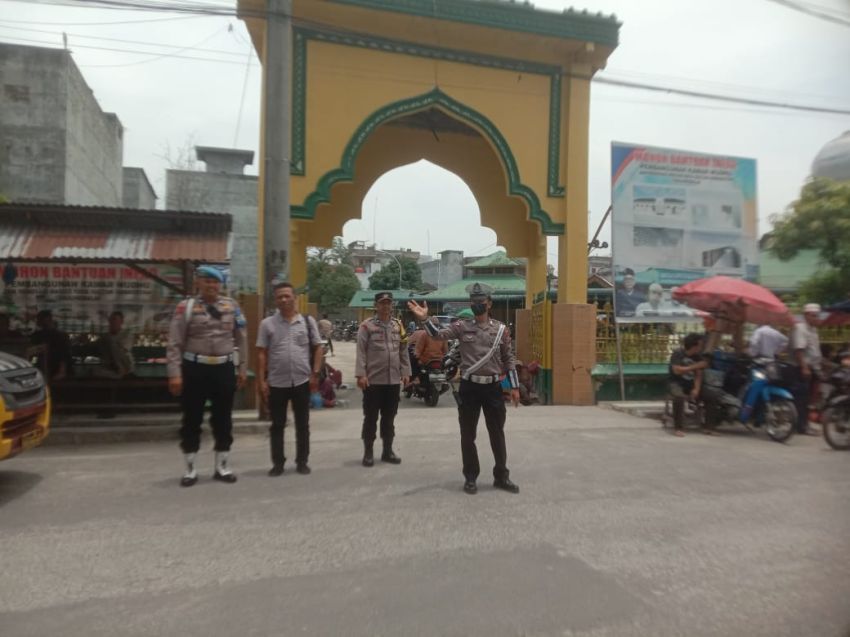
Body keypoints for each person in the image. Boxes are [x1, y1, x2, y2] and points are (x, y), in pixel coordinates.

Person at [407, 282, 520, 495]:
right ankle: (470, 477)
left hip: (493, 388)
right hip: (470, 388)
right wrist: (424, 319)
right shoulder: (462, 326)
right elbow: (438, 335)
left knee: (497, 434)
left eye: (481, 302)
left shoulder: (501, 330)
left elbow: (509, 359)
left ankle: (501, 476)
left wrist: (514, 386)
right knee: (468, 435)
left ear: (489, 304)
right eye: (474, 302)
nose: (477, 304)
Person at [166, 265, 248, 487]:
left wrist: (241, 368)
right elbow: (174, 342)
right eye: (207, 281)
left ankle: (222, 466)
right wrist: (174, 374)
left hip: (223, 368)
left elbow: (240, 339)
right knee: (192, 418)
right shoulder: (187, 307)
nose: (211, 285)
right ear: (198, 283)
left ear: (220, 284)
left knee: (223, 418)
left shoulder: (231, 306)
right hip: (194, 369)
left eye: (215, 282)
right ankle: (190, 469)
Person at [256, 282, 323, 476]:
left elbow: (318, 347)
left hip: (302, 381)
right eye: (279, 297)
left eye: (287, 296)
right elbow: (261, 353)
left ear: (295, 297)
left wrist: (315, 373)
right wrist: (261, 381)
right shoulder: (267, 324)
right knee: (277, 425)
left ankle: (302, 461)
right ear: (275, 300)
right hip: (277, 382)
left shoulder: (307, 322)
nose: (284, 299)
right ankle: (278, 463)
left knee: (303, 424)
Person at [354, 291, 411, 467]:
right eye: (382, 303)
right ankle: (368, 452)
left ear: (392, 305)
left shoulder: (398, 325)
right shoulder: (366, 326)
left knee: (389, 418)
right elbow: (361, 352)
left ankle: (388, 451)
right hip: (373, 381)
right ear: (376, 305)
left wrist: (406, 371)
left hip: (393, 381)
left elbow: (403, 350)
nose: (386, 306)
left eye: (388, 303)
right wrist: (361, 374)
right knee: (371, 418)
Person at [668, 332, 716, 437]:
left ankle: (709, 427)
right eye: (700, 345)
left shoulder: (697, 357)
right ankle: (678, 428)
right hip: (677, 383)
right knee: (678, 397)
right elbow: (676, 370)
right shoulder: (678, 354)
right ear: (694, 346)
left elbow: (699, 374)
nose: (701, 347)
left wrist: (696, 389)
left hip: (691, 384)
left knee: (712, 396)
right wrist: (694, 366)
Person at [790, 303, 822, 435]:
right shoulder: (800, 328)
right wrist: (804, 368)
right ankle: (801, 427)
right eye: (813, 316)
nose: (816, 318)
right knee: (802, 398)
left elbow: (814, 352)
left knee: (810, 399)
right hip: (801, 368)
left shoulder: (813, 330)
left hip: (813, 368)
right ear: (806, 315)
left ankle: (805, 424)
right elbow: (799, 350)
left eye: (817, 316)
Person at [30, 309, 72, 382]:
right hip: (48, 369)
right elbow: (34, 355)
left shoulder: (59, 336)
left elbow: (64, 355)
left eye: (39, 319)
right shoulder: (38, 335)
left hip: (52, 369)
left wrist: (62, 371)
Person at [94, 311, 135, 378]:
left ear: (121, 322)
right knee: (95, 372)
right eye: (110, 320)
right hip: (109, 368)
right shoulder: (105, 336)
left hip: (124, 366)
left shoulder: (127, 335)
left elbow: (121, 349)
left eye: (114, 319)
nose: (112, 322)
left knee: (113, 345)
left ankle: (120, 372)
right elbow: (97, 346)